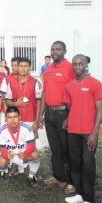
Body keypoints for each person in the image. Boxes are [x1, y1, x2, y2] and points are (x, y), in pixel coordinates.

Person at [62, 54, 102, 203]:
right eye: (75, 64)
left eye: (81, 64)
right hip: (72, 131)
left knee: (88, 165)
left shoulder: (95, 83)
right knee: (75, 163)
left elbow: (100, 109)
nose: (78, 67)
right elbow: (70, 106)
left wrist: (94, 133)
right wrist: (69, 118)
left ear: (86, 65)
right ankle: (79, 194)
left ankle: (89, 198)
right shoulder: (69, 85)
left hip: (88, 132)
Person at [38, 41, 75, 188]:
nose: (55, 52)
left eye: (58, 49)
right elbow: (44, 92)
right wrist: (40, 115)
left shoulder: (70, 68)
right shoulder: (47, 68)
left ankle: (70, 181)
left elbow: (75, 92)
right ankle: (58, 177)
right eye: (53, 49)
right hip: (50, 114)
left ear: (64, 51)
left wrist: (70, 116)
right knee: (55, 149)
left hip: (63, 113)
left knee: (67, 149)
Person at [0, 107, 41, 186]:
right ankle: (6, 171)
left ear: (19, 117)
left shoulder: (26, 127)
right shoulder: (1, 129)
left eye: (15, 117)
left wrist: (25, 153)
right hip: (9, 153)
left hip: (22, 153)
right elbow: (1, 147)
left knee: (35, 155)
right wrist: (6, 155)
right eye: (9, 117)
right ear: (6, 118)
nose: (12, 120)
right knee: (1, 162)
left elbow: (31, 145)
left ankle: (31, 176)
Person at [5, 57, 42, 139]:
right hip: (16, 119)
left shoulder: (36, 82)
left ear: (30, 67)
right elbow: (7, 101)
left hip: (31, 120)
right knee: (17, 145)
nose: (23, 68)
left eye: (26, 66)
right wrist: (15, 104)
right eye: (21, 66)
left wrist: (36, 122)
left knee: (31, 146)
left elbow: (39, 103)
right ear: (17, 67)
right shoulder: (11, 83)